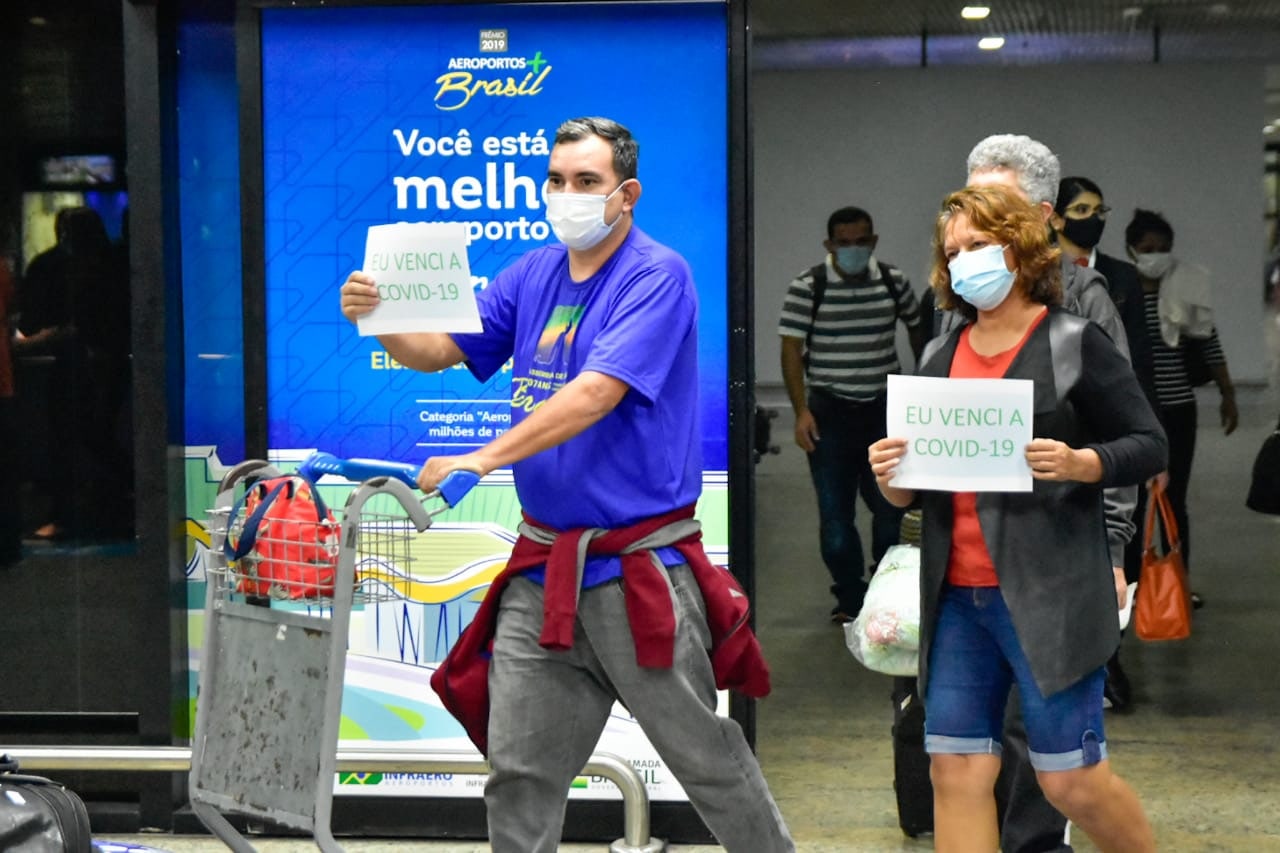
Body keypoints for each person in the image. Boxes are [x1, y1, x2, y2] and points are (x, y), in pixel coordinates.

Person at [340, 116, 794, 853]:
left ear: (627, 194)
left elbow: (595, 393)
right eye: (556, 180)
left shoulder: (657, 275)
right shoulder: (533, 272)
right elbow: (440, 348)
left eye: (587, 181)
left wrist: (481, 458)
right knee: (519, 771)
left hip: (636, 571)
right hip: (543, 570)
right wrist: (379, 320)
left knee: (705, 760)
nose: (567, 194)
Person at [869, 184, 1166, 853]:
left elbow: (1149, 442)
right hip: (955, 601)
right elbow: (915, 496)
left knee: (1070, 781)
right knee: (955, 768)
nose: (965, 260)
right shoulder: (938, 359)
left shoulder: (1072, 342)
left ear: (1020, 247)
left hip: (1050, 598)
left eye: (979, 245)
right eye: (954, 251)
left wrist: (1082, 461)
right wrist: (891, 479)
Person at [950, 134, 1144, 853]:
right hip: (969, 565)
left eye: (994, 206)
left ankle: (1036, 843)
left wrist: (1114, 548)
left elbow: (1121, 431)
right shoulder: (959, 301)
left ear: (1039, 214)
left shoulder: (1083, 301)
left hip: (1055, 561)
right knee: (972, 741)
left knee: (1052, 753)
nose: (973, 228)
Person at [778, 206, 925, 624]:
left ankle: (886, 586)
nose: (854, 250)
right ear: (830, 245)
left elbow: (917, 331)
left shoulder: (894, 283)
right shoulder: (809, 286)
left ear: (874, 241)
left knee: (891, 511)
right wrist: (801, 410)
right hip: (829, 411)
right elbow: (791, 348)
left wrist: (922, 392)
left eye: (862, 241)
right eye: (844, 243)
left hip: (884, 408)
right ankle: (850, 598)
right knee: (836, 517)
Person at [1051, 175, 1155, 714]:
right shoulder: (1034, 283)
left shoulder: (1116, 280)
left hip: (1111, 436)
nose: (1093, 217)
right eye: (1082, 208)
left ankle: (1109, 661)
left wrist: (1145, 437)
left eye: (1099, 208)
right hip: (1056, 458)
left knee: (1114, 561)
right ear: (1057, 216)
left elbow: (1134, 361)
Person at [1125, 208, 1238, 609]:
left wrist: (1228, 393)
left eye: (1164, 249)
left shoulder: (1185, 289)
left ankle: (1177, 585)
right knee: (1135, 504)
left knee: (1175, 502)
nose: (1157, 255)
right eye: (1148, 248)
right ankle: (1135, 586)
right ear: (1131, 250)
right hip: (1135, 415)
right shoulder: (1122, 293)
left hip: (1178, 410)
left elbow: (1209, 341)